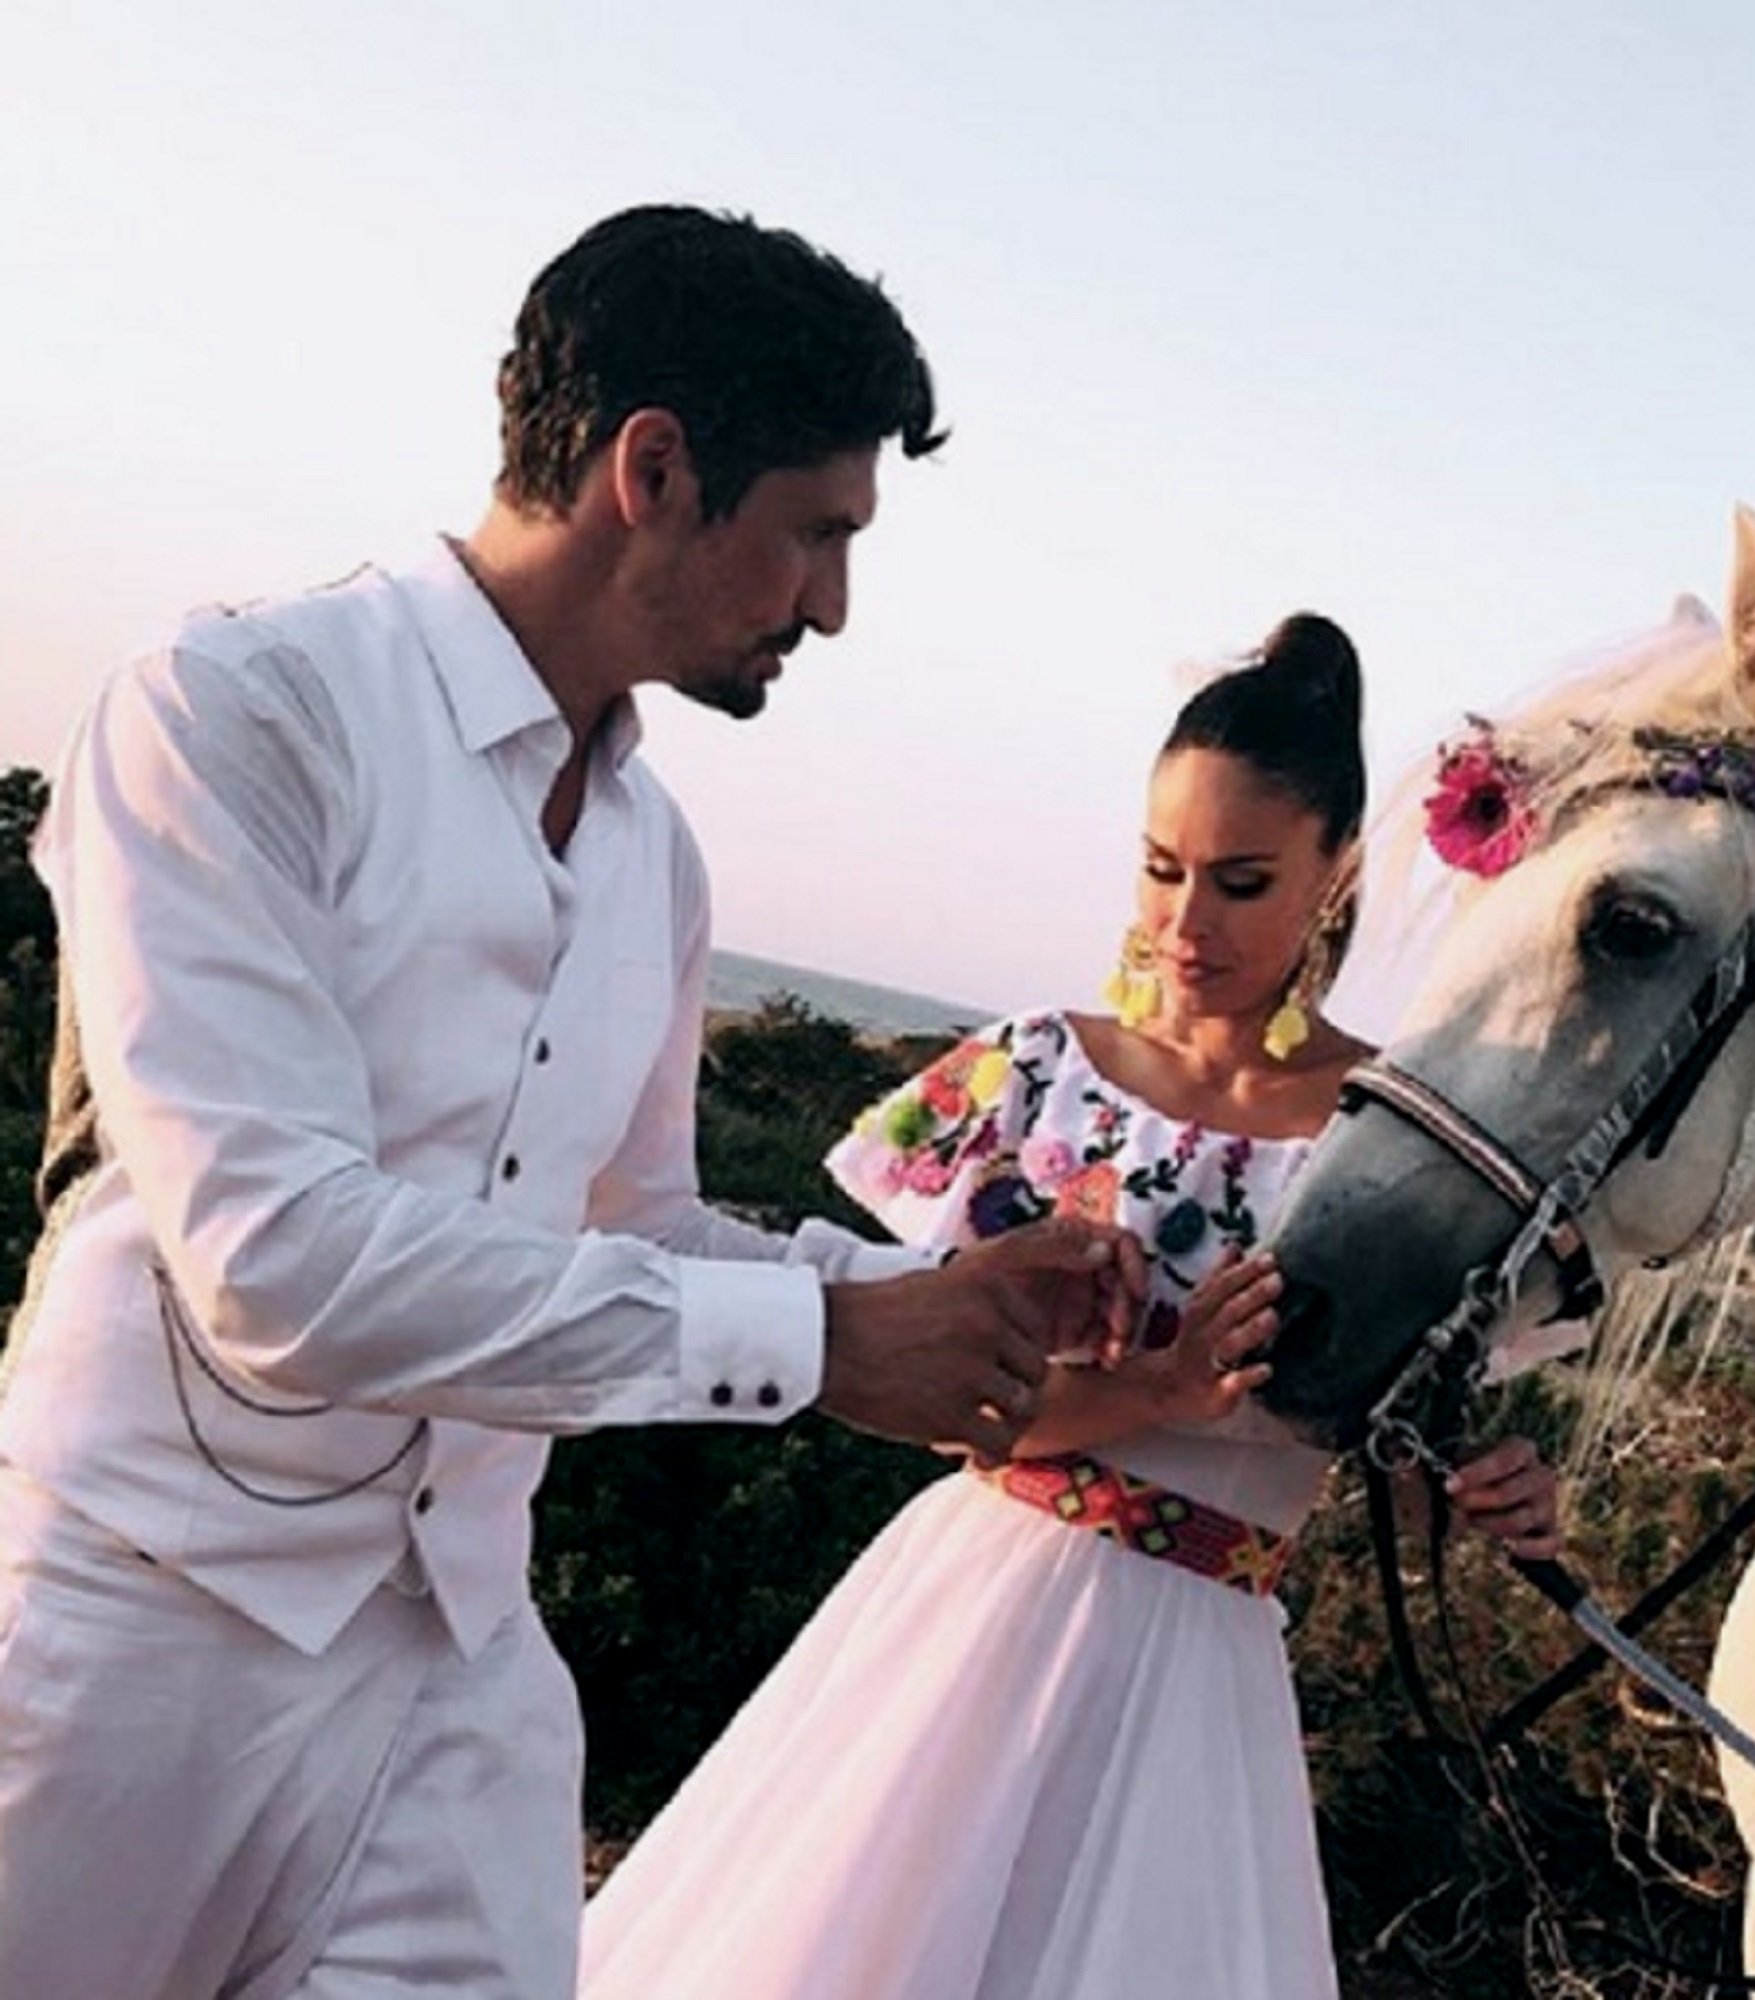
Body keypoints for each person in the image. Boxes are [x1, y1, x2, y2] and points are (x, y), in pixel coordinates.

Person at [0, 206, 1139, 2000]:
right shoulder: (235, 717)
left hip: (466, 1671)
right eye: (818, 533)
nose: (833, 603)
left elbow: (628, 1223)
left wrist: (912, 1303)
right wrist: (824, 1355)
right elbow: (273, 1260)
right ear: (658, 471)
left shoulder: (656, 855)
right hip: (127, 1631)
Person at [576, 613, 1560, 2000]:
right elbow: (944, 1408)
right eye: (1161, 870)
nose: (1182, 924)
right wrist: (1163, 1390)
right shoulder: (1038, 1076)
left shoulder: (1395, 1144)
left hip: (1202, 1666)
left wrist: (1478, 1489)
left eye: (1239, 881)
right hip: (972, 1613)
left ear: (1336, 874)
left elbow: (1394, 1448)